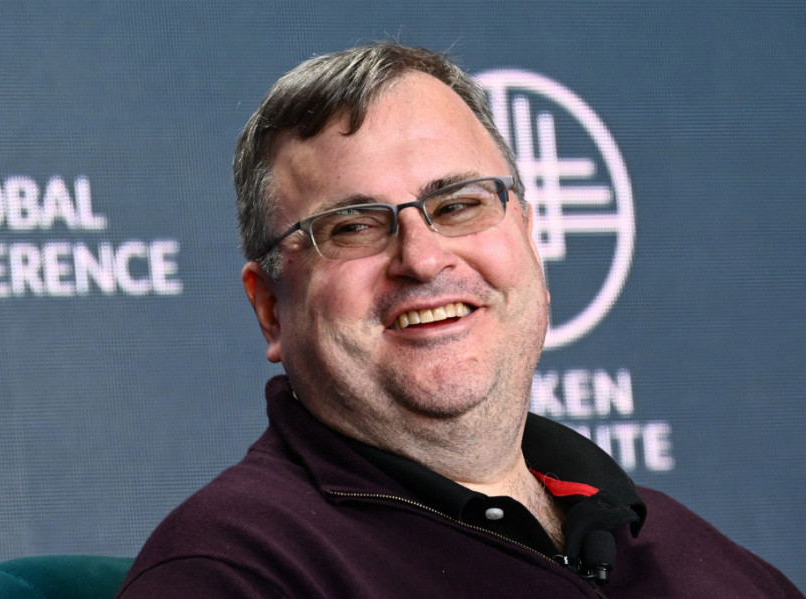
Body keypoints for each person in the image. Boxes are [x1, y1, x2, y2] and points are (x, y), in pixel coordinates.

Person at [116, 42, 803, 598]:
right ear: (270, 308)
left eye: (458, 205)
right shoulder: (233, 572)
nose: (422, 257)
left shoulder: (698, 555)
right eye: (353, 226)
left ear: (528, 237)